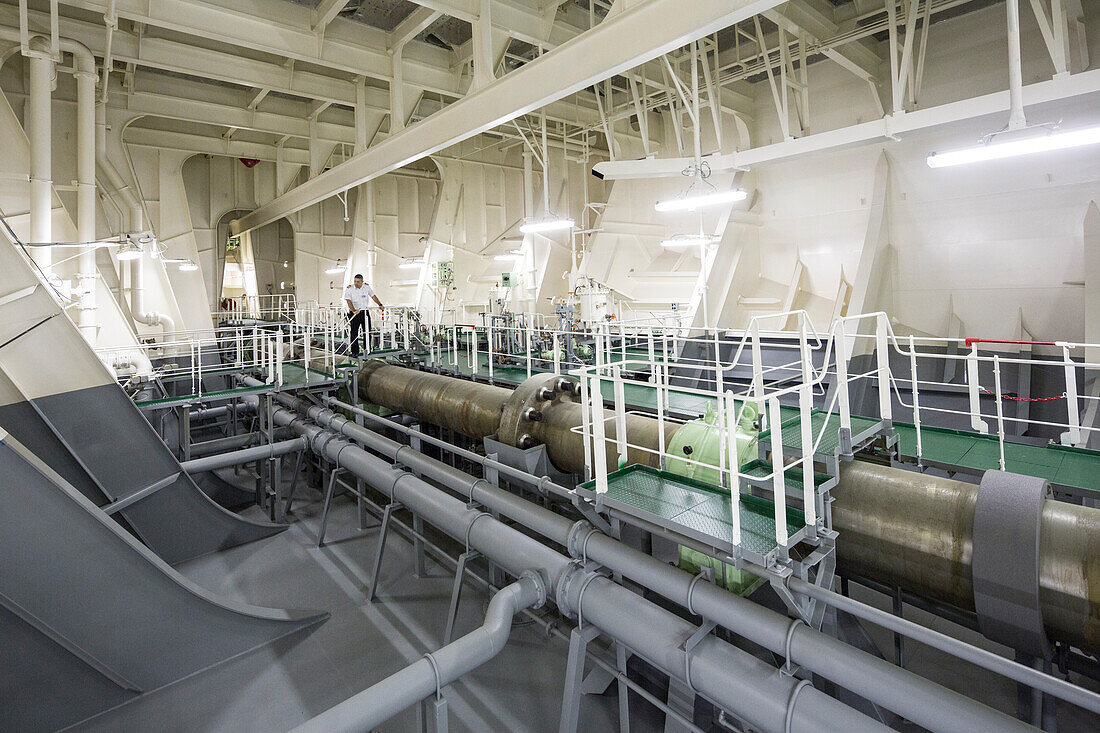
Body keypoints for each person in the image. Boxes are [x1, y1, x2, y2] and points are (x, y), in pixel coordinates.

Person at [343, 274, 383, 357]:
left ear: (362, 281)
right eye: (355, 281)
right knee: (354, 333)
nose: (356, 283)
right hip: (354, 313)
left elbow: (373, 296)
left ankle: (367, 349)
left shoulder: (366, 287)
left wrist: (380, 304)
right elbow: (348, 301)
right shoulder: (349, 289)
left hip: (364, 312)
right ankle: (354, 352)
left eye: (358, 281)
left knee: (367, 332)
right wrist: (354, 310)